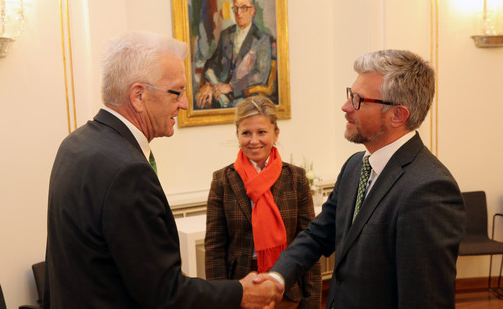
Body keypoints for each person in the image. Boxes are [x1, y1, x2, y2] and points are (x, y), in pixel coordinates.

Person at [44, 31, 282, 309]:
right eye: (177, 92)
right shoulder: (127, 171)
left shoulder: (76, 143)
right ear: (138, 96)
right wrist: (241, 294)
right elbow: (164, 293)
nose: (183, 103)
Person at [261, 50, 466, 308]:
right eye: (350, 94)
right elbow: (318, 235)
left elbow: (424, 300)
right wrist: (277, 278)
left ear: (397, 115)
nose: (346, 107)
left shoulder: (429, 190)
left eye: (358, 100)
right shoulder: (356, 166)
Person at [204, 96, 322, 309]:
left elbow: (309, 244)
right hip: (239, 288)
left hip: (286, 285)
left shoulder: (296, 178)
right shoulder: (222, 180)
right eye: (246, 133)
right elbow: (215, 248)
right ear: (238, 134)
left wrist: (311, 303)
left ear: (276, 133)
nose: (254, 140)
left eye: (261, 132)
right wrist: (219, 300)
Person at [195, 0, 273, 109]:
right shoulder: (226, 34)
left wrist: (231, 87)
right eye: (235, 8)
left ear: (252, 11)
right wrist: (209, 84)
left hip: (244, 95)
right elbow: (213, 62)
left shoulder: (262, 39)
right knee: (199, 102)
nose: (239, 13)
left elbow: (260, 74)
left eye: (244, 8)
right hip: (219, 93)